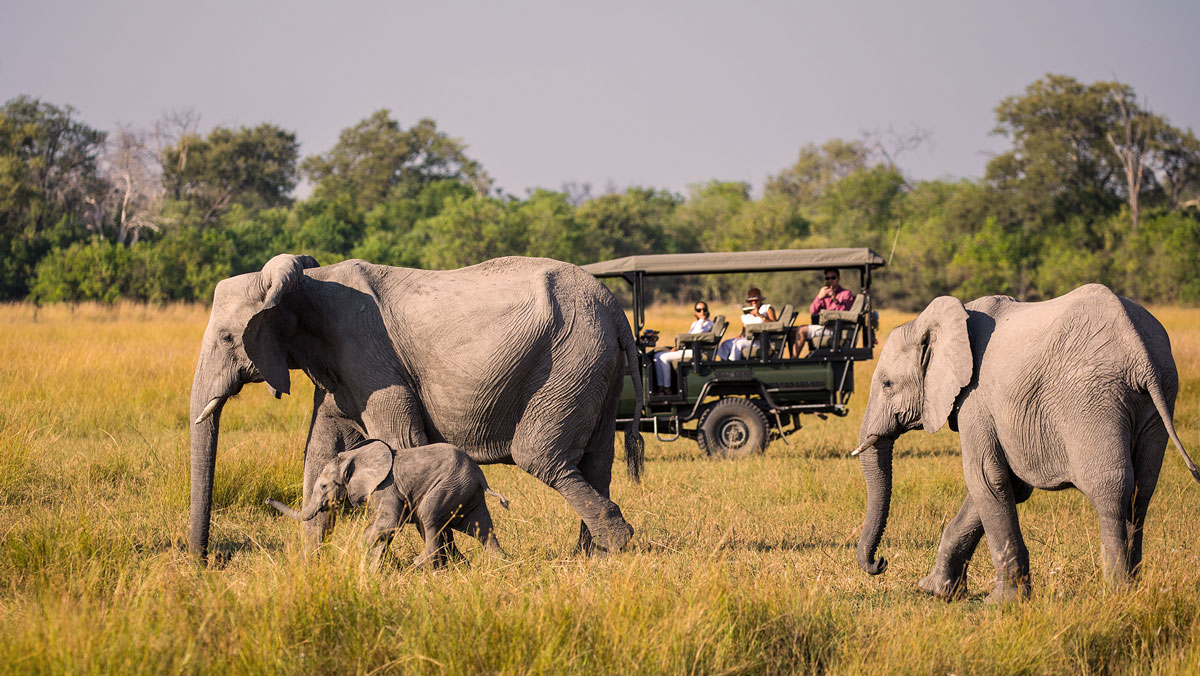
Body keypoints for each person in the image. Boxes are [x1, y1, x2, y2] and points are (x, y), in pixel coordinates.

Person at [791, 268, 854, 356]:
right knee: (792, 330)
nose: (830, 280)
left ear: (838, 279)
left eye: (833, 278)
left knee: (801, 330)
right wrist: (819, 297)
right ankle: (788, 358)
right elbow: (812, 311)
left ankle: (794, 360)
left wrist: (834, 299)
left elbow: (845, 313)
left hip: (836, 328)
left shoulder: (846, 294)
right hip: (823, 327)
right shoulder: (824, 295)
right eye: (827, 279)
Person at [654, 301, 714, 394]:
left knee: (663, 358)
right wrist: (678, 347)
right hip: (688, 348)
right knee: (657, 356)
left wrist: (701, 320)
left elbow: (695, 335)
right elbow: (690, 338)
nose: (702, 312)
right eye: (699, 310)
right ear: (695, 313)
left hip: (696, 351)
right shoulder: (695, 323)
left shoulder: (707, 323)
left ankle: (667, 387)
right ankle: (660, 386)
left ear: (707, 311)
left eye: (704, 309)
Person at [718, 287, 776, 361]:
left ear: (760, 300)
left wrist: (759, 315)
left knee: (738, 344)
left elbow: (775, 325)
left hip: (760, 340)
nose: (754, 302)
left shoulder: (766, 308)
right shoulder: (748, 313)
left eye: (756, 300)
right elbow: (744, 330)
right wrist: (740, 334)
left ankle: (734, 365)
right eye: (752, 300)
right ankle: (723, 363)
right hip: (747, 339)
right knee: (725, 343)